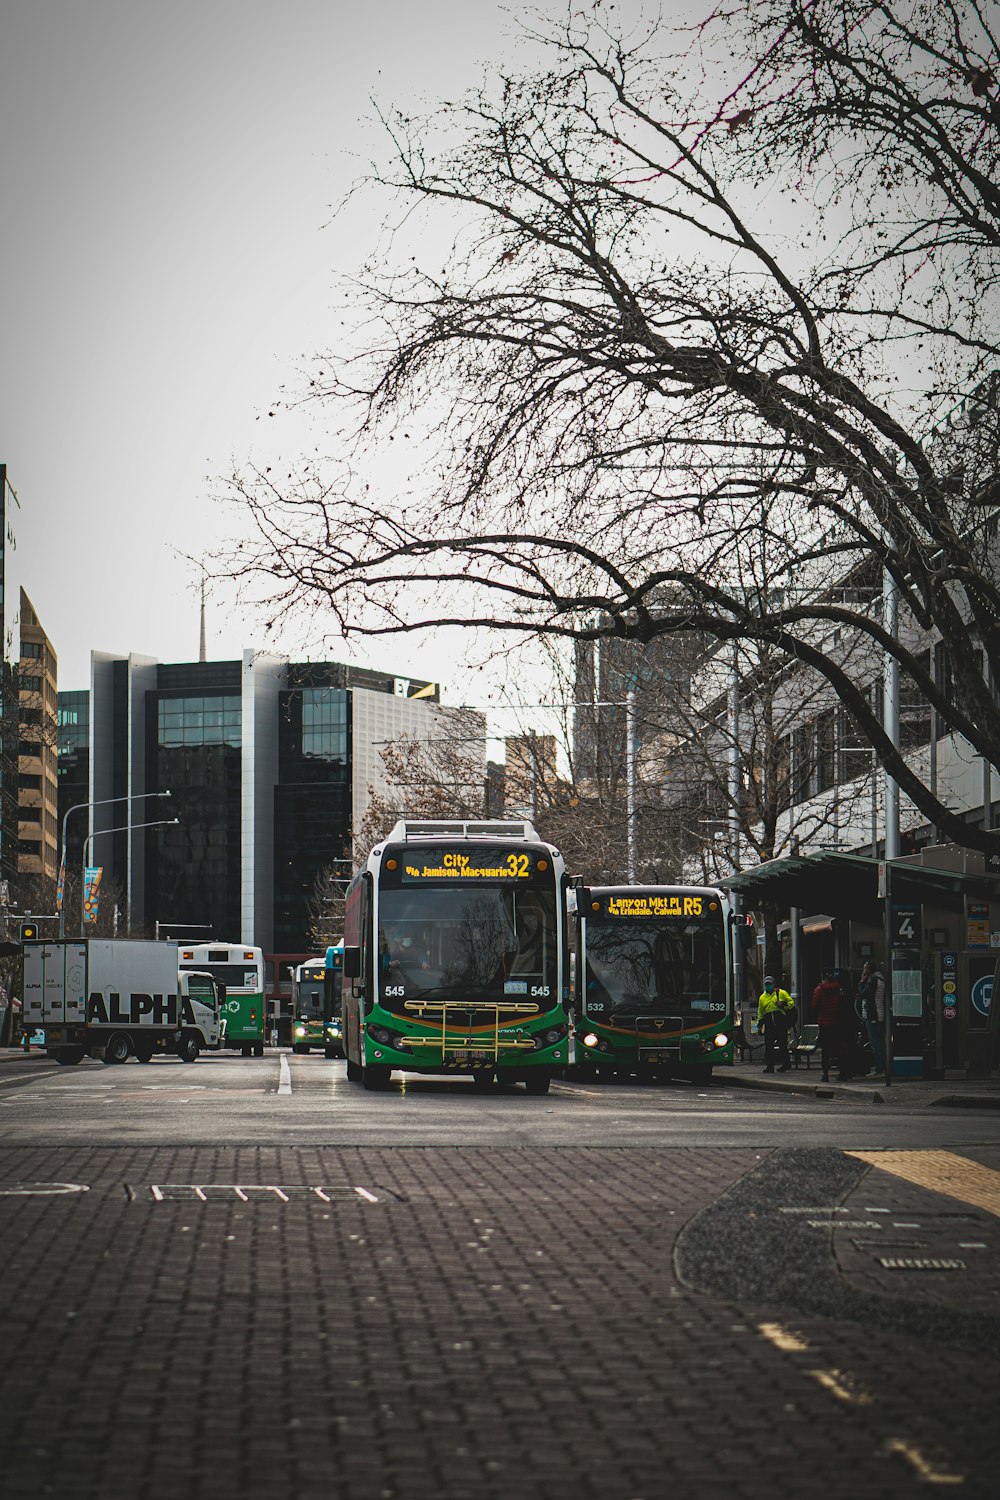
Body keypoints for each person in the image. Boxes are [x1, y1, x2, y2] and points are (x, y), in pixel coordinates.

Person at [810, 968, 843, 1083]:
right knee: (839, 1048)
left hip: (824, 1022)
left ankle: (825, 1074)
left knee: (825, 1050)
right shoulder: (838, 989)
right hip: (836, 1021)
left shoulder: (819, 990)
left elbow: (815, 1005)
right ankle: (842, 1072)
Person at [757, 975, 795, 1073]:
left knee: (782, 1045)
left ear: (774, 984)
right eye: (766, 984)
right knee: (768, 1046)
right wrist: (759, 1025)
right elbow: (760, 1012)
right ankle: (770, 1067)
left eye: (770, 984)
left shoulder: (781, 993)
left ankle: (786, 1064)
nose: (768, 986)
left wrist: (783, 1005)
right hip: (769, 1023)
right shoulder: (762, 997)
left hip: (780, 1023)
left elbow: (791, 1003)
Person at [856, 960, 886, 1075]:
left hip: (873, 1014)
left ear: (869, 969)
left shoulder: (873, 979)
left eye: (865, 968)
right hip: (876, 1014)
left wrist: (861, 982)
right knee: (876, 1042)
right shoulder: (879, 978)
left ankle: (880, 1068)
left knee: (875, 1043)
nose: (863, 970)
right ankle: (880, 1066)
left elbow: (864, 993)